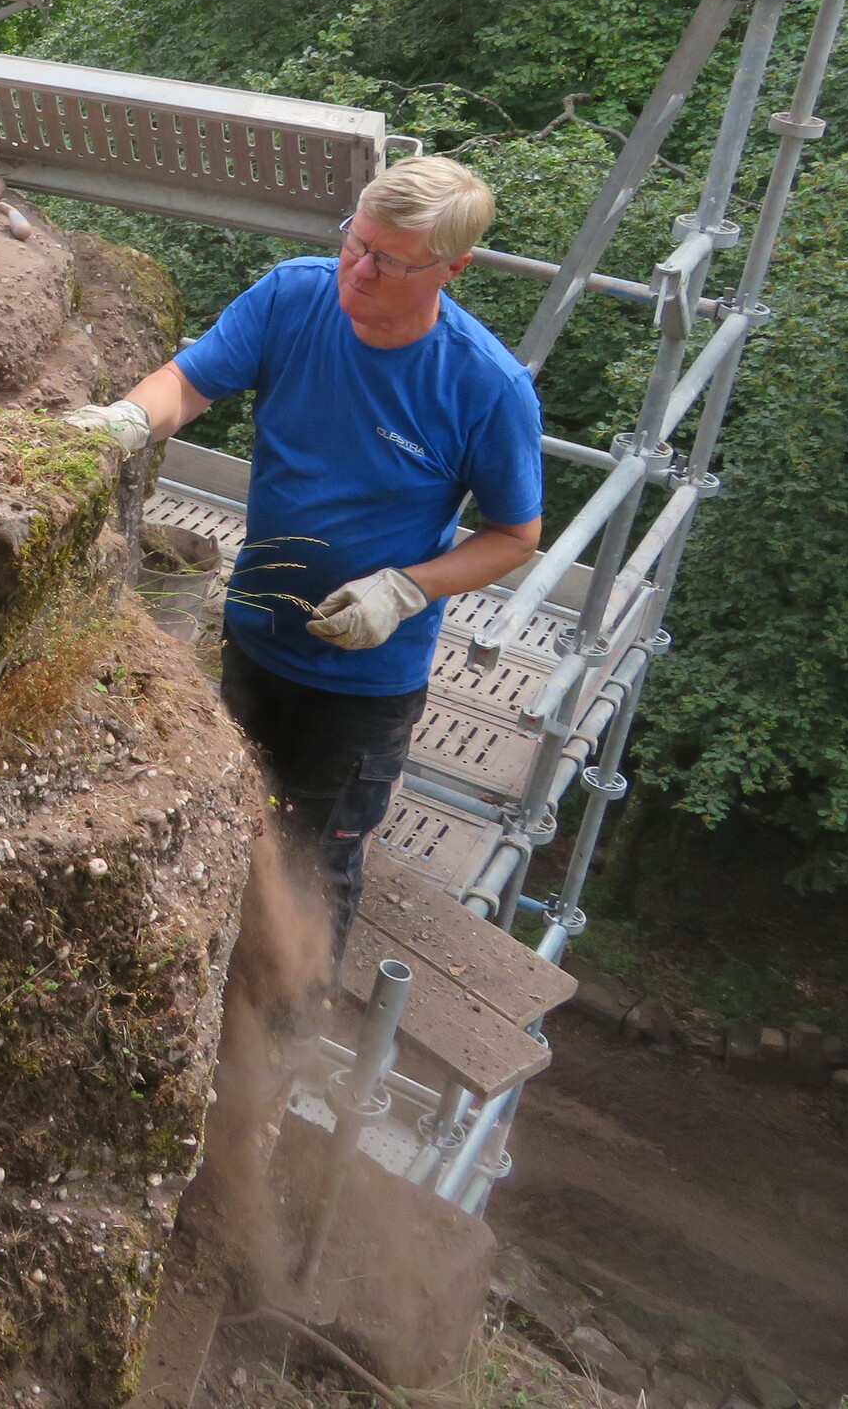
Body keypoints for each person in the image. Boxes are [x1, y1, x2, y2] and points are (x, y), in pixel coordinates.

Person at [67, 154, 544, 955]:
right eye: (356, 243)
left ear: (453, 269)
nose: (359, 271)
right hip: (257, 632)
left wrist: (404, 589)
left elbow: (514, 537)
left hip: (364, 684)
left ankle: (289, 1019)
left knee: (314, 865)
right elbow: (190, 381)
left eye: (390, 262)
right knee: (226, 813)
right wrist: (127, 420)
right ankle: (209, 977)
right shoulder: (294, 295)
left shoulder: (484, 388)